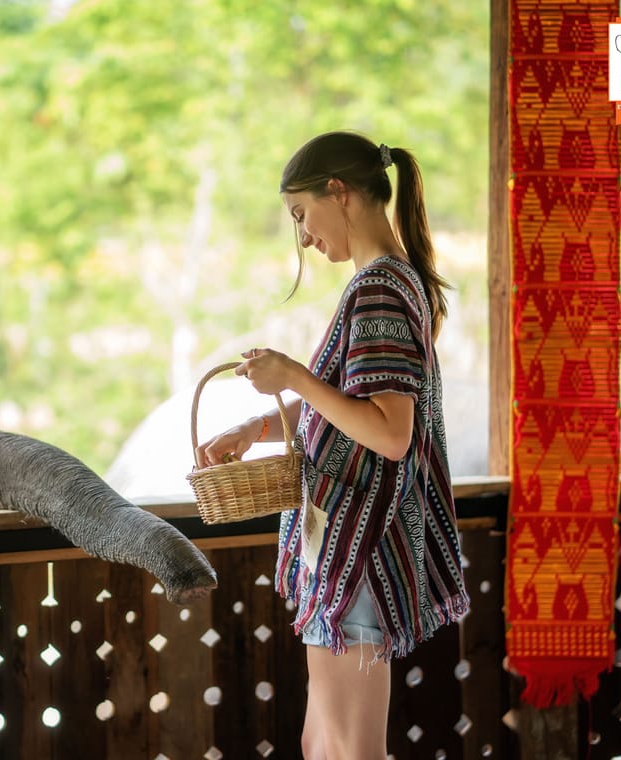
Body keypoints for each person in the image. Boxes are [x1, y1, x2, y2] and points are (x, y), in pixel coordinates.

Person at [196, 131, 469, 759]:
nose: (304, 236)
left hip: (358, 549)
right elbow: (353, 402)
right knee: (323, 743)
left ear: (338, 194)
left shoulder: (378, 290)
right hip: (348, 550)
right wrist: (257, 427)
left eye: (301, 215)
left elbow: (390, 434)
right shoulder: (396, 283)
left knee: (345, 749)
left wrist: (292, 375)